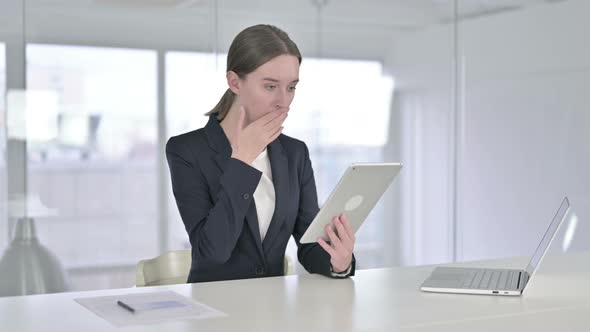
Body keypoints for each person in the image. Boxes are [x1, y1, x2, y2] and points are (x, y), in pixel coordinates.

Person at [166, 24, 356, 283]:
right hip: (211, 309)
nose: (284, 101)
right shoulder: (187, 150)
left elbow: (309, 246)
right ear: (235, 82)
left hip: (273, 310)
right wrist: (242, 161)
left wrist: (339, 262)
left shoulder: (295, 153)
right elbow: (211, 253)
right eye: (270, 86)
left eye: (291, 87)